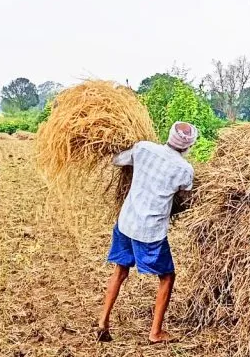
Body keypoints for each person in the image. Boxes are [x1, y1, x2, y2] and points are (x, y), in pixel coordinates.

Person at [96, 121, 198, 344]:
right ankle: (156, 333)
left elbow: (117, 160)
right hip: (150, 231)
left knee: (120, 270)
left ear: (169, 134)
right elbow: (185, 195)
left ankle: (103, 321)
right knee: (167, 277)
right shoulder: (185, 170)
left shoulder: (143, 148)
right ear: (189, 146)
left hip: (126, 222)